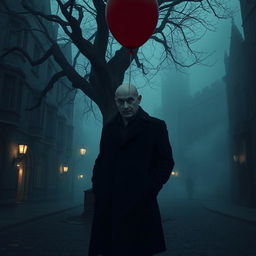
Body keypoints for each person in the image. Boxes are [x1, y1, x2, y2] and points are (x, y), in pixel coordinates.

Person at [88, 84, 175, 256]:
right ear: (115, 102)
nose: (126, 106)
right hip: (110, 207)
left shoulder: (156, 127)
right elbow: (101, 161)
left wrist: (150, 187)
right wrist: (98, 186)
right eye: (121, 102)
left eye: (130, 100)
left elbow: (166, 161)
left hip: (140, 205)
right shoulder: (109, 128)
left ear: (139, 99)